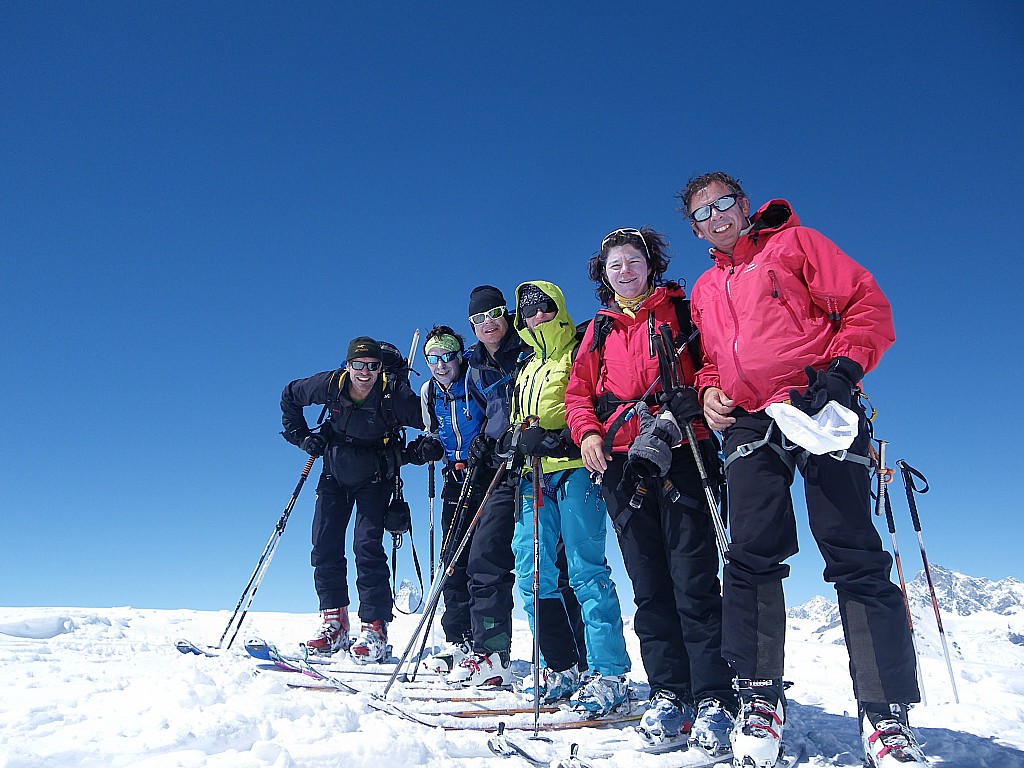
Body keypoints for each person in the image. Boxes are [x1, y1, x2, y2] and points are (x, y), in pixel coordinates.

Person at [678, 171, 924, 768]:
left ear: (743, 203)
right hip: (752, 422)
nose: (716, 217)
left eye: (724, 204)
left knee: (853, 550)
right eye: (702, 214)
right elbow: (712, 359)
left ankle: (885, 716)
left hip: (818, 405)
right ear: (694, 228)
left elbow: (867, 305)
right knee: (751, 555)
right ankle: (759, 698)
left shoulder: (796, 244)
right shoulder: (706, 286)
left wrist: (841, 373)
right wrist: (710, 390)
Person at [565, 228, 737, 752]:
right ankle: (669, 692)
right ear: (604, 273)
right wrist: (588, 432)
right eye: (614, 264)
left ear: (650, 265)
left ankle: (714, 698)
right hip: (622, 463)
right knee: (649, 584)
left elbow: (713, 359)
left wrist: (699, 394)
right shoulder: (597, 332)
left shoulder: (682, 312)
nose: (624, 271)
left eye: (633, 261)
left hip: (686, 451)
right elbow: (579, 393)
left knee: (694, 580)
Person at [507, 281, 631, 715]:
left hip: (577, 471)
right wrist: (514, 442)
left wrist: (561, 440)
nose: (536, 316)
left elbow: (593, 403)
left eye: (543, 307)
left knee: (585, 569)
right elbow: (517, 423)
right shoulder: (525, 366)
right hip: (533, 479)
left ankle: (609, 673)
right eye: (528, 311)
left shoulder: (580, 349)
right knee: (532, 572)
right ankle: (560, 666)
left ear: (557, 307)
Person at [281, 336, 424, 664]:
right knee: (325, 543)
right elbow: (289, 396)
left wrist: (417, 452)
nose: (365, 371)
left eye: (372, 366)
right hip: (334, 471)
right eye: (358, 365)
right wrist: (303, 439)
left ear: (380, 369)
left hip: (376, 476)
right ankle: (335, 623)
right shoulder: (330, 384)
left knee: (366, 546)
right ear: (347, 366)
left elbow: (433, 420)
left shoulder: (394, 396)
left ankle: (375, 627)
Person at [404, 325, 487, 675]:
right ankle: (457, 639)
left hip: (487, 474)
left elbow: (496, 415)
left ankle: (486, 645)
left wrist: (488, 443)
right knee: (451, 557)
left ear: (459, 353)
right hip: (454, 476)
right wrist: (430, 447)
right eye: (433, 358)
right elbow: (433, 431)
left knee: (485, 558)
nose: (441, 364)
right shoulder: (428, 392)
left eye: (447, 355)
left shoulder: (476, 379)